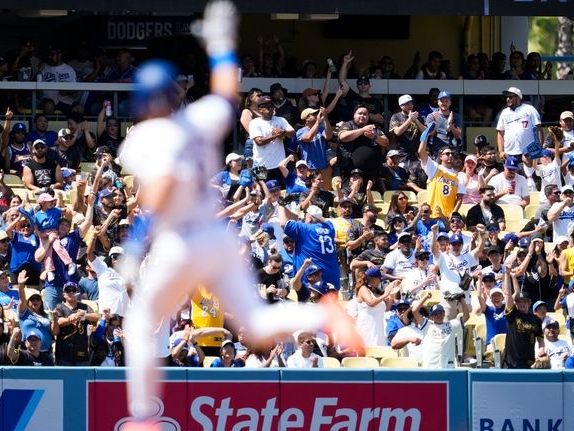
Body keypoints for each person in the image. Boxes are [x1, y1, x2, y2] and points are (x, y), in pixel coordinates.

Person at [117, 4, 362, 426]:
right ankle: (323, 315)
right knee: (254, 318)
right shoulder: (196, 118)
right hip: (217, 239)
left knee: (140, 323)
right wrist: (220, 43)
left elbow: (155, 201)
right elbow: (228, 93)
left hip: (182, 243)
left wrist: (136, 247)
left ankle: (143, 417)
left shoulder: (145, 138)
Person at [418, 124, 464, 218]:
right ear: (441, 156)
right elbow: (421, 152)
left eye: (452, 154)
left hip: (448, 216)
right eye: (447, 154)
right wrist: (425, 136)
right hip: (432, 215)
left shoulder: (459, 175)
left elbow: (460, 197)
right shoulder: (434, 168)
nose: (450, 155)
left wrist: (453, 213)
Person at [409, 293, 467, 369]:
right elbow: (414, 310)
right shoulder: (427, 325)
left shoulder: (451, 325)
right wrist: (426, 297)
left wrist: (462, 299)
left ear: (444, 314)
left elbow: (466, 316)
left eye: (440, 313)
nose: (438, 315)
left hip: (447, 366)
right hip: (430, 367)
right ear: (431, 317)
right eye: (435, 314)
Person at [503, 267, 545, 369]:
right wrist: (507, 275)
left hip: (529, 361)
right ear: (515, 304)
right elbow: (508, 294)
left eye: (524, 301)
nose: (522, 304)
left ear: (529, 303)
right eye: (519, 302)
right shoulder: (512, 315)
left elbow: (540, 339)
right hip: (512, 362)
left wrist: (541, 349)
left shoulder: (536, 319)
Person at [248, 95, 295, 184]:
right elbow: (259, 141)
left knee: (279, 192)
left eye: (271, 106)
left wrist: (283, 131)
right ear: (260, 109)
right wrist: (275, 135)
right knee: (261, 193)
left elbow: (292, 134)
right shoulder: (254, 123)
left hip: (279, 165)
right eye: (267, 106)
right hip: (260, 166)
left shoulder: (280, 120)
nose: (270, 108)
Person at [52, 281, 98, 366]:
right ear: (64, 295)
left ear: (77, 293)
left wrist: (84, 315)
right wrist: (72, 318)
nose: (71, 292)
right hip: (63, 352)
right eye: (68, 290)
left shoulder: (84, 307)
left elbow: (96, 317)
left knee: (82, 378)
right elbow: (59, 322)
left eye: (73, 290)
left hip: (81, 352)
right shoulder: (59, 307)